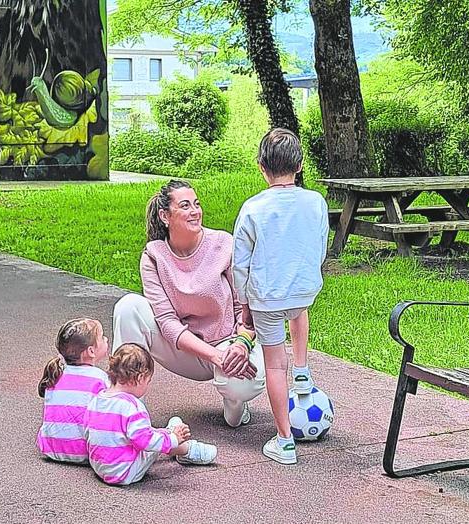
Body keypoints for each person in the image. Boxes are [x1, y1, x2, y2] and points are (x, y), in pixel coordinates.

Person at [112, 179, 266, 428]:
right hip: (183, 350)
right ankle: (123, 406)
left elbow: (244, 307)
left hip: (227, 344)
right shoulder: (153, 256)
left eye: (196, 204)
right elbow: (167, 322)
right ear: (165, 215)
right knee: (128, 307)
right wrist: (214, 356)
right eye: (185, 206)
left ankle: (236, 405)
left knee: (243, 384)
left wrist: (240, 344)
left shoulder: (223, 244)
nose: (195, 211)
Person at [232, 128, 329, 465]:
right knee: (298, 310)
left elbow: (239, 264)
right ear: (300, 164)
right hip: (303, 292)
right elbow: (320, 247)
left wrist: (245, 305)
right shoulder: (315, 201)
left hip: (266, 299)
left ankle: (284, 441)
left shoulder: (252, 208)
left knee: (274, 365)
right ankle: (302, 368)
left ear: (261, 166)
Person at [84, 344, 217, 485]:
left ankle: (170, 433)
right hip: (124, 471)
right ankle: (184, 449)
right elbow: (145, 442)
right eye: (148, 381)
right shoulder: (132, 407)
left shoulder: (97, 399)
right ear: (140, 378)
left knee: (143, 432)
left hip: (99, 466)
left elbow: (87, 432)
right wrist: (172, 440)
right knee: (152, 441)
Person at [36, 318, 110, 463]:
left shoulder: (56, 374)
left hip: (50, 448)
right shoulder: (100, 379)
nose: (106, 339)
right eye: (102, 337)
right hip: (85, 451)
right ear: (91, 351)